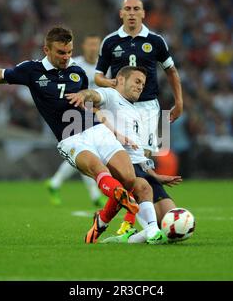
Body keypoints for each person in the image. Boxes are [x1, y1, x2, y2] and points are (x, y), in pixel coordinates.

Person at [0, 26, 154, 244]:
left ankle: (102, 220)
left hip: (96, 129)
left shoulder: (76, 72)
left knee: (127, 178)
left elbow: (91, 106)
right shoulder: (31, 70)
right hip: (70, 138)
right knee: (100, 170)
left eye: (69, 52)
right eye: (61, 52)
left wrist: (113, 130)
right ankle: (128, 210)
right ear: (46, 50)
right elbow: (0, 75)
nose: (66, 57)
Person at [94, 0, 184, 234]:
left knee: (141, 158)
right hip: (120, 106)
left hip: (148, 108)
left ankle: (130, 217)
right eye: (127, 9)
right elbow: (98, 76)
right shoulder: (111, 41)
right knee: (130, 161)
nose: (132, 13)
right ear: (121, 13)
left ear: (143, 14)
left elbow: (171, 71)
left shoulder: (155, 40)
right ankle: (133, 218)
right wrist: (112, 84)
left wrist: (179, 101)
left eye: (136, 9)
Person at [67, 65, 180, 244]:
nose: (140, 86)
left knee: (170, 223)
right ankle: (148, 232)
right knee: (143, 188)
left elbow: (139, 155)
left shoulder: (134, 111)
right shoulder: (111, 95)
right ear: (120, 80)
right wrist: (84, 94)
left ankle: (127, 234)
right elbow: (94, 97)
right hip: (120, 162)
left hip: (141, 167)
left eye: (142, 84)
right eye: (136, 81)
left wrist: (155, 175)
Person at [45, 34, 106, 207]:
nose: (93, 47)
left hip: (97, 114)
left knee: (84, 154)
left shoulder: (104, 68)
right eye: (90, 44)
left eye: (96, 44)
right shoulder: (74, 65)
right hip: (76, 115)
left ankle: (56, 182)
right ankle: (94, 195)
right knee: (86, 153)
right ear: (84, 46)